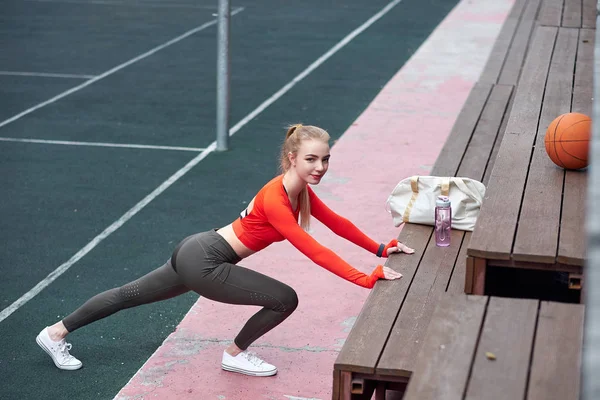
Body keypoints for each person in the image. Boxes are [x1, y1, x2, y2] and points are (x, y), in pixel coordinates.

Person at [36, 124, 415, 377]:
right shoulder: (276, 199)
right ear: (291, 160)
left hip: (199, 250)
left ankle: (55, 332)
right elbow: (313, 250)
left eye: (326, 158)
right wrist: (365, 279)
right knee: (284, 299)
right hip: (206, 260)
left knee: (128, 295)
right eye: (311, 159)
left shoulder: (297, 190)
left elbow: (337, 223)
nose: (320, 166)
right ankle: (234, 354)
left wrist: (381, 248)